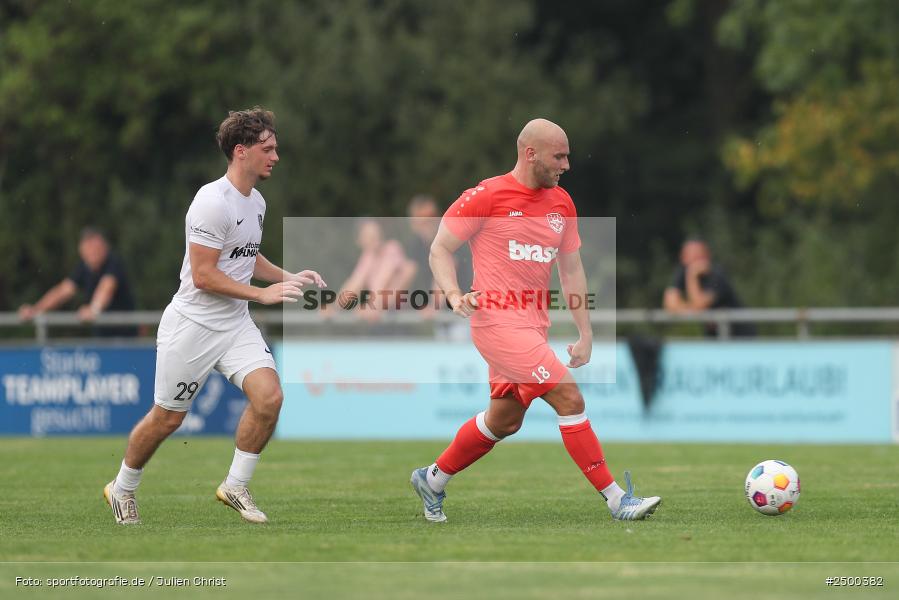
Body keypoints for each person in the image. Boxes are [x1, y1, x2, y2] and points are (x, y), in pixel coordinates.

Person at [410, 118, 661, 522]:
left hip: (532, 327)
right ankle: (618, 500)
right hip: (495, 323)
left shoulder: (562, 204)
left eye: (568, 156)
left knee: (503, 421)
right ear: (531, 154)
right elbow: (440, 248)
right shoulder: (485, 196)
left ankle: (432, 479)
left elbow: (572, 268)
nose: (566, 165)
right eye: (559, 156)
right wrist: (455, 295)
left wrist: (585, 331)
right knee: (569, 396)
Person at [103, 107, 325, 525]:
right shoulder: (210, 202)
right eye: (268, 148)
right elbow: (204, 276)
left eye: (276, 148)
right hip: (193, 324)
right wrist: (263, 296)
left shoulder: (256, 201)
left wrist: (288, 276)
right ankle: (123, 487)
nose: (276, 156)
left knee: (270, 398)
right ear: (241, 152)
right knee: (168, 418)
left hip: (234, 323)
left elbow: (246, 255)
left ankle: (235, 485)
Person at [18, 227, 137, 337]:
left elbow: (107, 287)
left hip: (125, 336)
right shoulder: (84, 267)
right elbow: (63, 291)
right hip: (103, 336)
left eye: (95, 249)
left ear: (104, 247)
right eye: (88, 251)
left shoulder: (113, 263)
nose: (92, 254)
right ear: (81, 251)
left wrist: (94, 309)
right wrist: (36, 310)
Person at [663, 238, 755, 337]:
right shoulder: (682, 273)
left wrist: (692, 275)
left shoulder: (717, 275)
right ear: (683, 258)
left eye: (698, 255)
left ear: (707, 256)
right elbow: (670, 304)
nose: (694, 260)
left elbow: (699, 306)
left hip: (739, 335)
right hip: (715, 335)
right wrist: (690, 309)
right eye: (690, 255)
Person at [332, 218, 416, 319]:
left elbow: (383, 280)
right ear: (359, 241)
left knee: (409, 269)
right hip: (382, 315)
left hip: (398, 317)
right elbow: (355, 283)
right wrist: (335, 307)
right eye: (368, 235)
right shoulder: (368, 256)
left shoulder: (391, 248)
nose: (374, 237)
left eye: (375, 233)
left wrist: (372, 306)